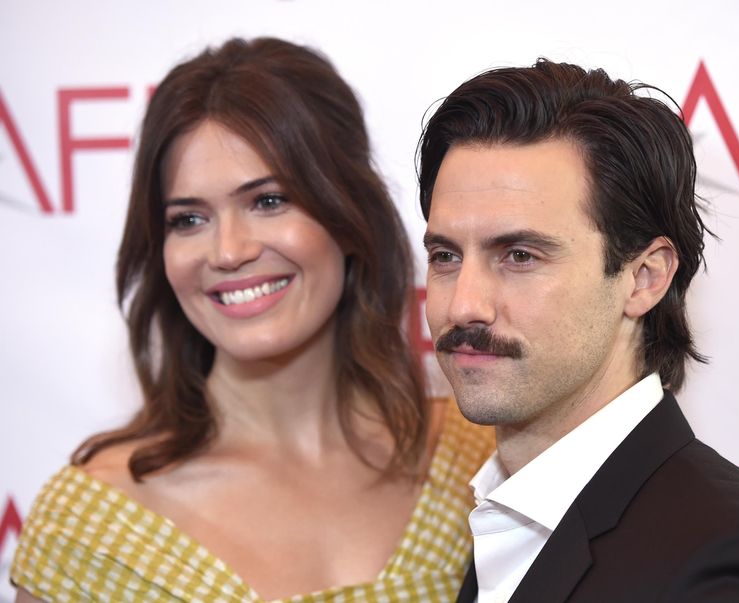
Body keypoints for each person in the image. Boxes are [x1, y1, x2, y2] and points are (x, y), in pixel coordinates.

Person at [11, 37, 493, 602]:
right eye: (189, 218)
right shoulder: (91, 528)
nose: (228, 250)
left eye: (268, 201)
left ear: (347, 213)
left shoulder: (478, 458)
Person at [417, 59, 739, 602]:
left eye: (519, 255)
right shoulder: (510, 515)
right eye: (445, 255)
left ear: (644, 278)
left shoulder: (727, 575)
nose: (463, 305)